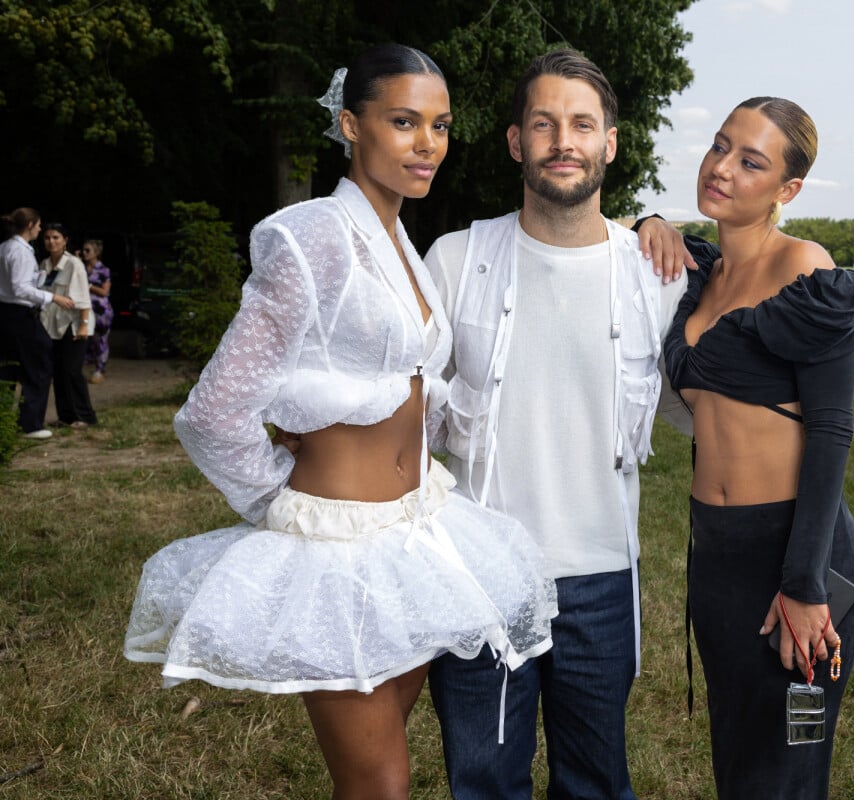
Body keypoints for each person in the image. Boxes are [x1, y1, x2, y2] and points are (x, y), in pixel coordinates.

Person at [123, 44, 557, 800]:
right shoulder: (313, 236)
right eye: (403, 121)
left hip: (414, 535)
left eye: (441, 125)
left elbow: (396, 386)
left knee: (376, 761)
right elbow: (214, 410)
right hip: (334, 548)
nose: (428, 143)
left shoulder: (400, 243)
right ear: (350, 125)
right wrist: (277, 500)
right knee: (382, 782)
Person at [423, 48, 688, 800]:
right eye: (544, 124)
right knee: (484, 780)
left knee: (597, 782)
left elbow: (704, 409)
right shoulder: (455, 259)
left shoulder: (654, 273)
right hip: (483, 571)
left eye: (581, 124)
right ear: (516, 142)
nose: (562, 141)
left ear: (610, 142)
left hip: (604, 575)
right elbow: (405, 416)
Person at [652, 97, 854, 799]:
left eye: (751, 161)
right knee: (740, 769)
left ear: (787, 190)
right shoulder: (702, 274)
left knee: (785, 774)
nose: (721, 167)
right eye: (719, 146)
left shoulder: (807, 271)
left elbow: (832, 431)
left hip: (798, 559)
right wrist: (648, 222)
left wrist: (805, 586)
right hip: (716, 556)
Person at [0, 207, 75, 439]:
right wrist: (53, 297)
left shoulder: (4, 247)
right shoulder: (21, 252)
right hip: (21, 315)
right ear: (31, 225)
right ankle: (30, 424)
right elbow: (19, 288)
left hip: (6, 313)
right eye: (40, 225)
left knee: (8, 369)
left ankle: (5, 420)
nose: (41, 230)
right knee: (40, 365)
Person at [39, 223, 98, 429]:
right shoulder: (45, 264)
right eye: (47, 237)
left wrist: (83, 326)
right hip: (53, 326)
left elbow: (83, 298)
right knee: (58, 372)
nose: (51, 242)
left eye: (56, 237)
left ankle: (85, 416)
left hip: (74, 325)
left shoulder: (74, 264)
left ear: (65, 240)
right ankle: (65, 416)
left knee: (72, 370)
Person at [81, 239, 114, 383]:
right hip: (84, 308)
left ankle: (99, 369)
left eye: (88, 250)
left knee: (100, 339)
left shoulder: (103, 270)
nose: (84, 253)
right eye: (83, 250)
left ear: (96, 253)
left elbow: (105, 291)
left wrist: (89, 287)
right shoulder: (80, 268)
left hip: (100, 310)